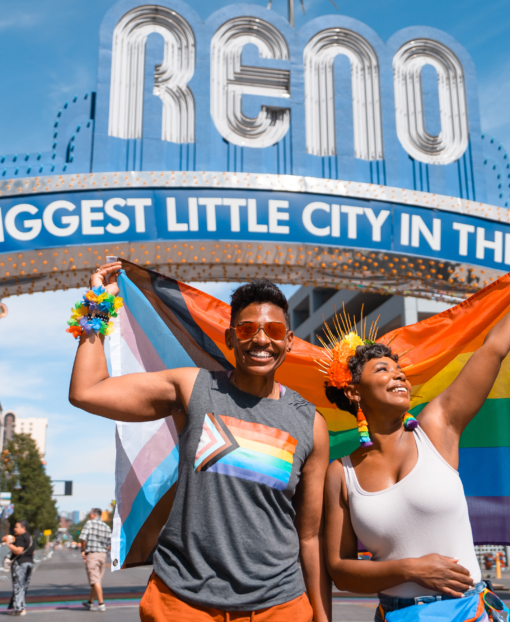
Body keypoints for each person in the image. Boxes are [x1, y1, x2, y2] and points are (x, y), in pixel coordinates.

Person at [69, 262, 330, 622]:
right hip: (183, 603)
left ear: (288, 340)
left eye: (273, 330)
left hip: (279, 608)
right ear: (230, 337)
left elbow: (310, 536)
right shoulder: (193, 388)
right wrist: (97, 304)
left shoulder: (311, 423)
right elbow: (87, 391)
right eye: (247, 328)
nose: (260, 339)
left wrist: (322, 615)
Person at [323, 253, 510, 621]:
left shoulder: (437, 428)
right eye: (383, 369)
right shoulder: (340, 474)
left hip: (469, 612)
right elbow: (339, 570)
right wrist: (409, 569)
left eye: (400, 370)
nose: (399, 376)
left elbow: (493, 350)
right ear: (354, 392)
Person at [78, 509, 112, 612]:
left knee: (95, 580)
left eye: (90, 513)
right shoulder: (106, 526)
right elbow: (110, 544)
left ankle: (101, 604)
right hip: (103, 555)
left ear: (94, 514)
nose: (89, 514)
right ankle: (90, 602)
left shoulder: (89, 523)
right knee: (97, 579)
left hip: (92, 554)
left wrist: (83, 550)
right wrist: (102, 550)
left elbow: (83, 538)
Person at [4, 519, 35, 616]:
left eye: (16, 527)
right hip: (29, 563)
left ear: (23, 528)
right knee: (24, 586)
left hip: (20, 564)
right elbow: (33, 552)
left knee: (18, 586)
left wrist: (9, 544)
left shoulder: (21, 538)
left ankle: (19, 609)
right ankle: (21, 607)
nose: (14, 529)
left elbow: (18, 551)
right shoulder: (30, 538)